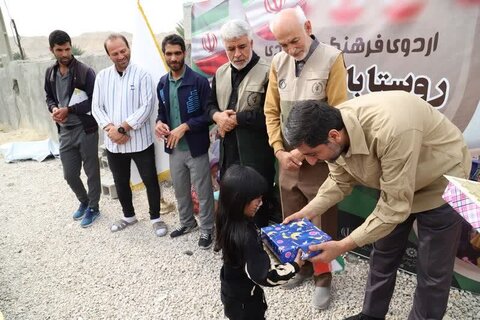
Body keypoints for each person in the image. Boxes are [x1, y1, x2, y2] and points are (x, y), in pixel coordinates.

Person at [283, 91, 472, 320]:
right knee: (382, 254)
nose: (312, 162)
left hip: (441, 182)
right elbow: (339, 180)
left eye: (313, 154)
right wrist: (307, 212)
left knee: (433, 271)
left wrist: (342, 246)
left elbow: (393, 208)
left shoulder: (391, 130)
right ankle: (371, 316)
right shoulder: (333, 131)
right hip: (397, 184)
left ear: (334, 136)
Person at [264, 6, 348, 308]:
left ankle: (323, 279)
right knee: (293, 221)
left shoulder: (332, 58)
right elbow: (271, 111)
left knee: (322, 222)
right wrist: (279, 151)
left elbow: (339, 114)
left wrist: (301, 151)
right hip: (286, 162)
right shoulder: (278, 62)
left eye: (294, 41)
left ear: (308, 26)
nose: (290, 49)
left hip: (319, 163)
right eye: (283, 44)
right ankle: (300, 268)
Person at [92, 33, 167, 237]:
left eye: (123, 50)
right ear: (109, 55)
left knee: (150, 180)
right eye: (115, 53)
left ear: (129, 48)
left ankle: (156, 218)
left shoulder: (142, 74)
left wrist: (123, 128)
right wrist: (111, 130)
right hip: (113, 143)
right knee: (120, 181)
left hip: (140, 141)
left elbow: (147, 106)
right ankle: (128, 216)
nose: (120, 56)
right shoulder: (102, 77)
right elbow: (96, 107)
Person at [207, 19, 276, 228]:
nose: (237, 54)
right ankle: (232, 245)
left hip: (256, 156)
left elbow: (273, 116)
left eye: (242, 47)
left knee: (257, 206)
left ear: (251, 43)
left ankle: (257, 251)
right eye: (231, 49)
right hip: (228, 155)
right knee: (232, 204)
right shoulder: (220, 73)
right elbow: (209, 105)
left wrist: (237, 119)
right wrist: (218, 117)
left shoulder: (269, 71)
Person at [216, 164, 305, 320]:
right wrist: (294, 266)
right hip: (246, 304)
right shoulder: (246, 237)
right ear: (239, 200)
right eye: (256, 199)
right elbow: (264, 276)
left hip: (231, 291)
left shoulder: (226, 217)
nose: (261, 203)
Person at [155, 34, 215, 249]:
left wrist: (185, 126)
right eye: (169, 53)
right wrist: (159, 123)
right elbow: (162, 112)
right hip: (173, 148)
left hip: (195, 147)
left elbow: (209, 115)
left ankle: (208, 228)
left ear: (184, 53)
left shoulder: (198, 81)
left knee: (203, 191)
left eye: (177, 53)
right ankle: (187, 223)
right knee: (180, 190)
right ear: (164, 55)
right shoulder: (162, 83)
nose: (173, 58)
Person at [44, 30, 101, 228]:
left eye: (67, 49)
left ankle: (94, 207)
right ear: (52, 50)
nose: (65, 54)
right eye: (60, 50)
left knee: (91, 171)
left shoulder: (85, 71)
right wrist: (53, 109)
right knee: (69, 174)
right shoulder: (50, 73)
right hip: (65, 131)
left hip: (86, 129)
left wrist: (69, 109)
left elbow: (95, 102)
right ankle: (84, 200)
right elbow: (49, 97)